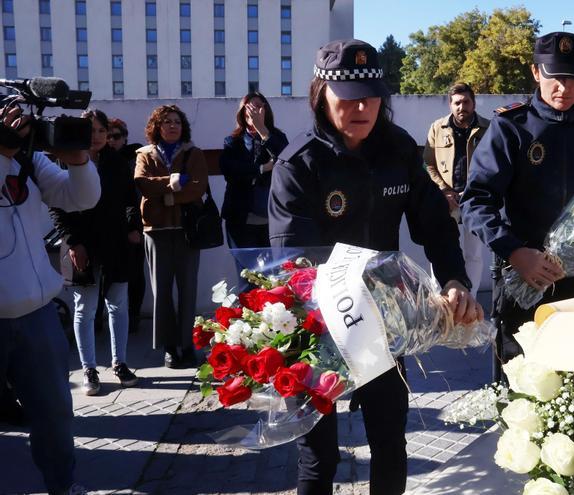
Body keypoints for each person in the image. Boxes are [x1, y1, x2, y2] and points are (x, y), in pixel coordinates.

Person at [269, 39, 482, 495]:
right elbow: (292, 266)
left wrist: (453, 278)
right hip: (317, 328)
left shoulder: (399, 150)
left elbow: (435, 225)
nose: (361, 106)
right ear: (320, 93)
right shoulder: (298, 165)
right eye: (347, 96)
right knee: (318, 456)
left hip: (384, 327)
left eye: (371, 94)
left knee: (389, 442)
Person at [461, 32, 574, 374]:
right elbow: (476, 203)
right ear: (537, 73)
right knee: (527, 394)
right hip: (526, 285)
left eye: (573, 78)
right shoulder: (511, 128)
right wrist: (515, 251)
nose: (564, 87)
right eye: (555, 77)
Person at [0, 103, 98, 494]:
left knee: (55, 416)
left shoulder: (28, 157)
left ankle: (63, 485)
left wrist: (78, 160)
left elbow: (81, 197)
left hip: (36, 313)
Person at [50, 109, 140, 395]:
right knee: (85, 308)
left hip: (115, 243)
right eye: (92, 131)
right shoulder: (66, 162)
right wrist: (73, 241)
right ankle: (89, 368)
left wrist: (132, 227)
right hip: (82, 245)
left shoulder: (117, 162)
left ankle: (120, 362)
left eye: (103, 131)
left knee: (118, 305)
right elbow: (57, 207)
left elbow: (129, 199)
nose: (98, 136)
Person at [134, 105, 207, 369]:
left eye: (177, 121)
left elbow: (197, 187)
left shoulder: (194, 153)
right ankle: (169, 348)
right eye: (166, 122)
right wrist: (175, 183)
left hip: (187, 231)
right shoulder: (144, 154)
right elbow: (142, 183)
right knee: (161, 292)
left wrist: (163, 193)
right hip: (156, 231)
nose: (172, 126)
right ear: (157, 126)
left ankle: (187, 346)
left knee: (188, 289)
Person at [424, 82, 490, 293]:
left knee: (474, 254)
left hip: (476, 199)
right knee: (441, 247)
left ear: (474, 102)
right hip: (446, 199)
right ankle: (440, 298)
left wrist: (475, 190)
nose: (462, 107)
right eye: (457, 103)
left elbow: (494, 164)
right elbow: (428, 164)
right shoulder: (437, 128)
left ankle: (470, 299)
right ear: (450, 105)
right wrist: (443, 191)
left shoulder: (489, 128)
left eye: (466, 102)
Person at [219, 93, 288, 269]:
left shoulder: (277, 137)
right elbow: (231, 171)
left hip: (271, 222)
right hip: (241, 219)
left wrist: (263, 130)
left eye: (258, 106)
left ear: (266, 110)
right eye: (248, 107)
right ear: (242, 112)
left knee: (273, 277)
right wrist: (262, 169)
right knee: (248, 277)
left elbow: (286, 163)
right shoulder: (233, 142)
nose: (253, 111)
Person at [108, 118, 147, 334]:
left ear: (124, 138)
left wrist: (133, 226)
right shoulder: (100, 159)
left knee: (134, 272)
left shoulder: (135, 158)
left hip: (133, 223)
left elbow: (135, 194)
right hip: (107, 225)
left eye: (117, 136)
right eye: (109, 136)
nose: (112, 141)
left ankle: (134, 315)